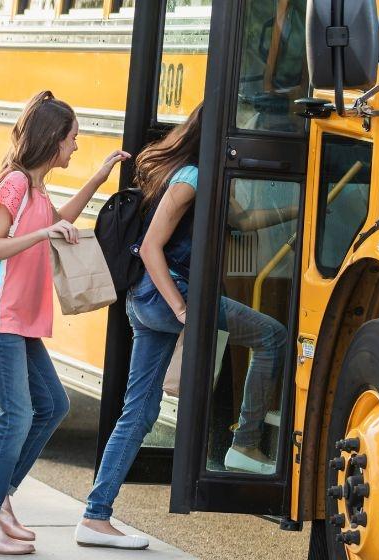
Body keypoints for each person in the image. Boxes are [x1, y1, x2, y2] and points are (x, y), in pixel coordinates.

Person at [77, 107, 293, 549]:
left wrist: (304, 205)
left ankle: (95, 516)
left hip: (146, 300)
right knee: (272, 336)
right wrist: (181, 309)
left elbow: (246, 223)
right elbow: (151, 246)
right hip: (164, 295)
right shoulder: (192, 178)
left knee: (139, 411)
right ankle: (245, 443)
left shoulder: (203, 175)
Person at [0, 91, 129, 555]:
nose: (76, 147)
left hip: (20, 320)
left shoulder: (36, 187)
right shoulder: (14, 183)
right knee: (15, 416)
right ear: (52, 140)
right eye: (73, 139)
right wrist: (40, 233)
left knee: (52, 405)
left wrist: (98, 177)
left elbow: (60, 222)